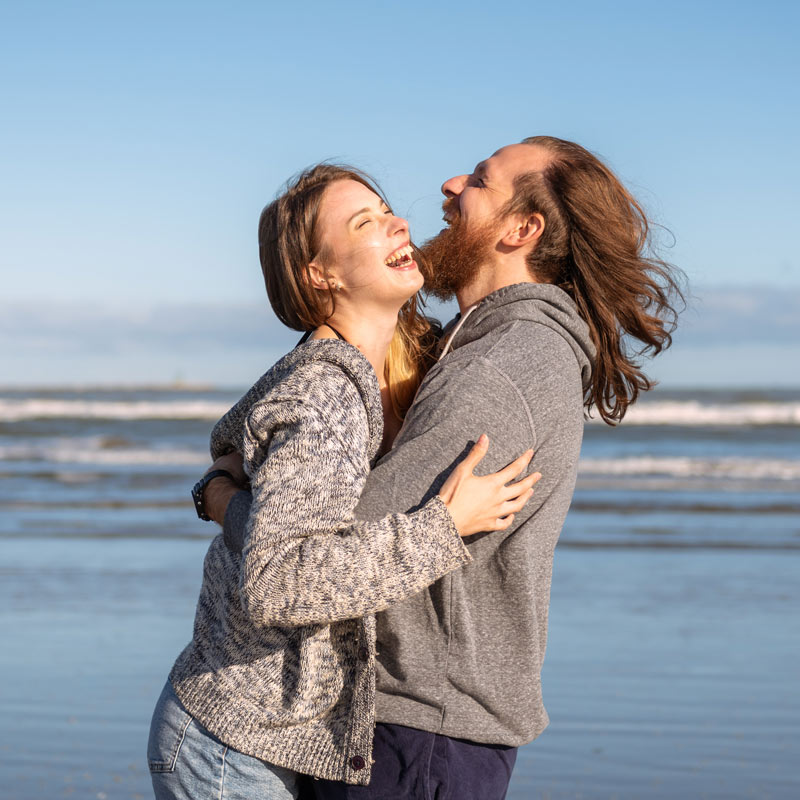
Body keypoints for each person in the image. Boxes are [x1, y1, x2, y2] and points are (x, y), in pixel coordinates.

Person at [214, 137, 684, 799]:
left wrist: (225, 497)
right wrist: (235, 445)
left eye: (481, 182)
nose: (451, 184)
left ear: (521, 230)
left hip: (418, 735)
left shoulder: (500, 367)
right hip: (414, 728)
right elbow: (286, 399)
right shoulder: (465, 343)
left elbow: (310, 559)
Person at [146, 164, 540, 800]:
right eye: (366, 222)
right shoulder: (327, 390)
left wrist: (222, 493)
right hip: (231, 748)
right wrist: (444, 527)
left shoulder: (372, 363)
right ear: (320, 274)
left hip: (264, 734)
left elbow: (235, 430)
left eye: (387, 211)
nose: (399, 222)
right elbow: (279, 584)